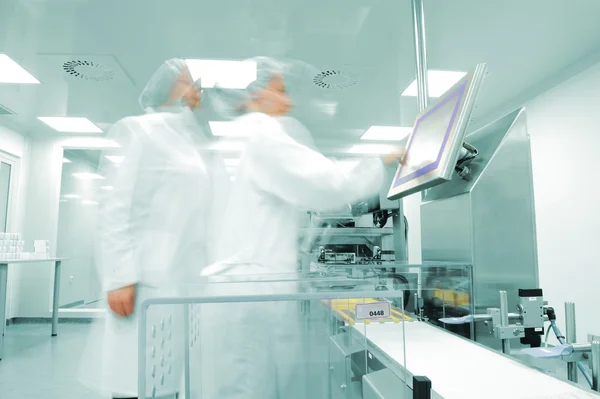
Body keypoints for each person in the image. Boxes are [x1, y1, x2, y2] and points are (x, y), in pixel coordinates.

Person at [199, 56, 404, 399]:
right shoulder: (260, 132)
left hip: (243, 290)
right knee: (253, 385)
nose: (288, 101)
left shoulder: (240, 137)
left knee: (248, 382)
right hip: (253, 293)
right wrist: (383, 159)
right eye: (280, 90)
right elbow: (324, 183)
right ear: (254, 94)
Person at [79, 58, 228, 399]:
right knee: (135, 380)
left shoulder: (192, 144)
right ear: (167, 89)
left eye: (198, 85)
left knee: (165, 382)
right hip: (143, 283)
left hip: (181, 283)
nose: (197, 91)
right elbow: (116, 206)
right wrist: (119, 276)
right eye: (189, 83)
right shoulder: (139, 130)